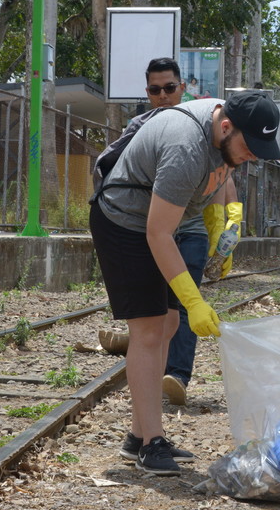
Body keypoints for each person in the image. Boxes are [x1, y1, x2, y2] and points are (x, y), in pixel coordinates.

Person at [90, 87, 279, 477]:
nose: (254, 155)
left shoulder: (223, 138)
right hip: (124, 223)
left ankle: (139, 435)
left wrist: (219, 225)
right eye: (251, 146)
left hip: (155, 224)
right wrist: (194, 300)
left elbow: (206, 188)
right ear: (226, 126)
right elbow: (158, 234)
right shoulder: (186, 147)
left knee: (169, 323)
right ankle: (149, 444)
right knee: (147, 329)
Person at [97, 57, 239, 408]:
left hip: (189, 229)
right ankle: (150, 397)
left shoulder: (209, 126)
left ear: (182, 88)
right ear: (147, 93)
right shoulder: (144, 127)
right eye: (155, 90)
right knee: (160, 318)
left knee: (178, 310)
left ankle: (176, 374)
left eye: (169, 88)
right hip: (150, 227)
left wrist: (223, 223)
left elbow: (222, 178)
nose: (163, 95)